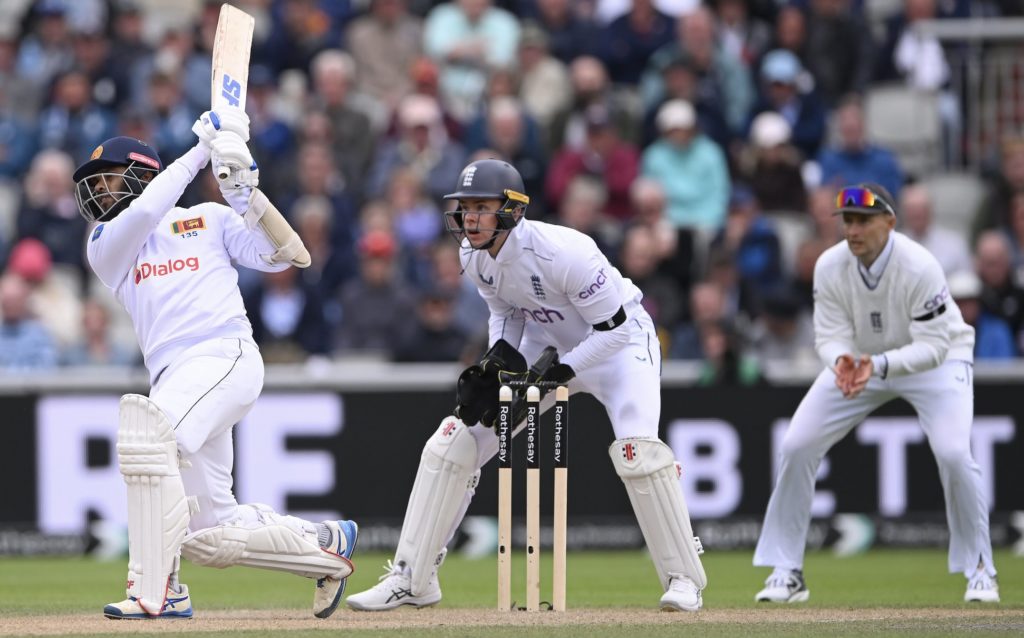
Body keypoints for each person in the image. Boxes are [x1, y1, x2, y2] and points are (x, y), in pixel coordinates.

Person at [346, 158, 707, 612]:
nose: (469, 219)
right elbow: (508, 311)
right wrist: (499, 358)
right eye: (465, 208)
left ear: (513, 210)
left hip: (621, 350)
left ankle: (684, 578)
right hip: (550, 346)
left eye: (481, 207)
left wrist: (562, 372)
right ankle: (413, 579)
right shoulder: (472, 255)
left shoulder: (566, 252)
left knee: (638, 453)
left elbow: (613, 328)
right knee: (454, 443)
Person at [75, 111, 357, 620]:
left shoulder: (206, 218)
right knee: (209, 529)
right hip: (174, 377)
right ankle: (324, 545)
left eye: (106, 179)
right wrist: (199, 152)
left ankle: (153, 591)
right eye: (92, 184)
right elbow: (141, 216)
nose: (97, 192)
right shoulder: (105, 244)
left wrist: (245, 193)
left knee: (148, 439)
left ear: (141, 174)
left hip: (223, 355)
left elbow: (289, 256)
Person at [752, 183, 999, 604]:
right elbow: (828, 334)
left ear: (890, 221)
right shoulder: (830, 265)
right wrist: (844, 363)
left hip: (936, 363)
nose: (853, 230)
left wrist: (877, 365)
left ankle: (980, 570)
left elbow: (935, 346)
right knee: (797, 444)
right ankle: (787, 570)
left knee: (955, 454)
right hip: (864, 362)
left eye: (863, 220)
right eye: (847, 220)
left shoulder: (920, 265)